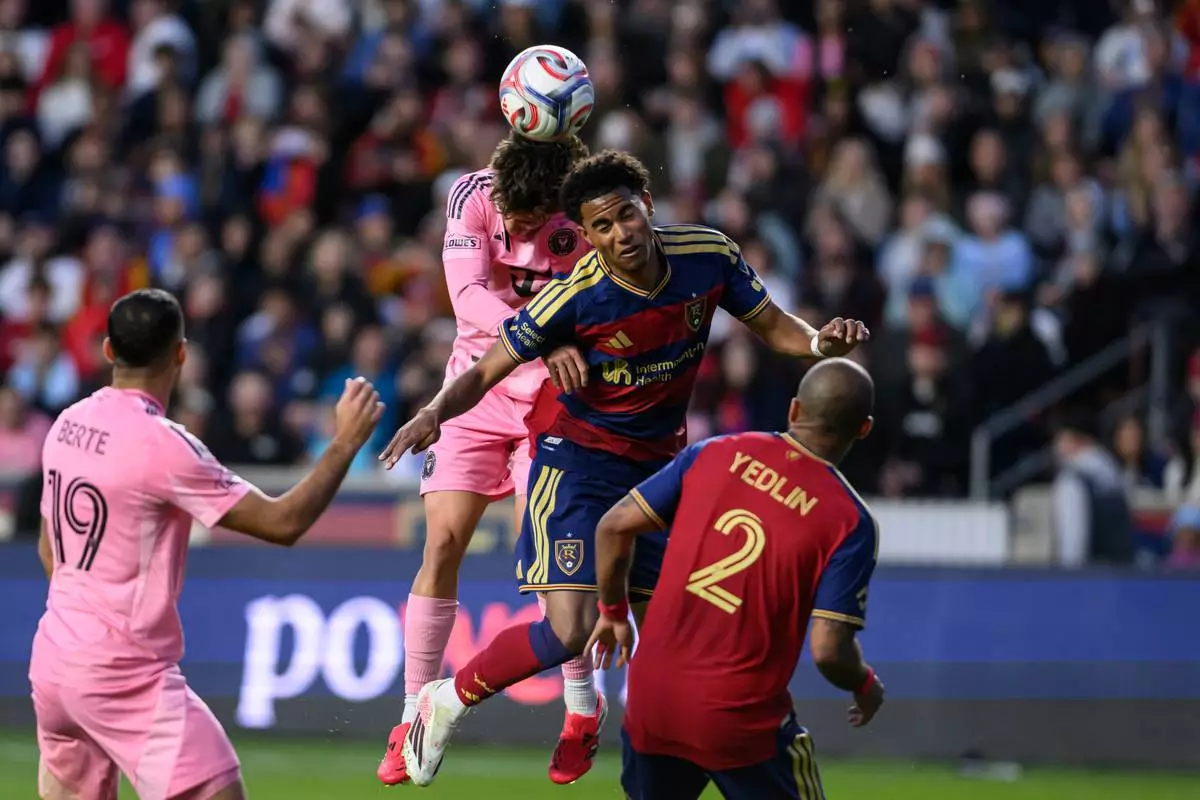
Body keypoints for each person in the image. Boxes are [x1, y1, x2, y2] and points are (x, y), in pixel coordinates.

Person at [379, 150, 871, 787]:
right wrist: (433, 413)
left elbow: (773, 325)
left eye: (626, 217)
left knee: (682, 625)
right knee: (567, 628)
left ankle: (668, 751)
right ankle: (446, 699)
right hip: (578, 466)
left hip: (661, 473)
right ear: (584, 235)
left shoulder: (709, 255)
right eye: (601, 228)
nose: (619, 235)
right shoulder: (573, 295)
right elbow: (483, 371)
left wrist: (816, 343)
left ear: (648, 208)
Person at [30, 289, 383, 800]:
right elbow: (283, 522)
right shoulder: (163, 444)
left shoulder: (67, 423)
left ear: (108, 350)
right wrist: (347, 442)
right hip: (120, 673)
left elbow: (49, 551)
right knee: (217, 790)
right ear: (180, 354)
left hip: (53, 662)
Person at [375, 131, 602, 787]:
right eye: (511, 219)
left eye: (529, 225)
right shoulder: (472, 195)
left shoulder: (588, 211)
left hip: (560, 399)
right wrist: (541, 337)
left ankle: (583, 707)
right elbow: (467, 296)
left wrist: (556, 341)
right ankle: (413, 714)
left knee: (558, 569)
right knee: (441, 544)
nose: (516, 230)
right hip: (475, 386)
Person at [588, 358, 885, 800]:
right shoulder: (849, 520)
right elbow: (828, 650)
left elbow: (613, 526)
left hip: (653, 701)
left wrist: (613, 611)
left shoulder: (714, 452)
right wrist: (864, 684)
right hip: (739, 720)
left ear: (794, 411)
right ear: (863, 429)